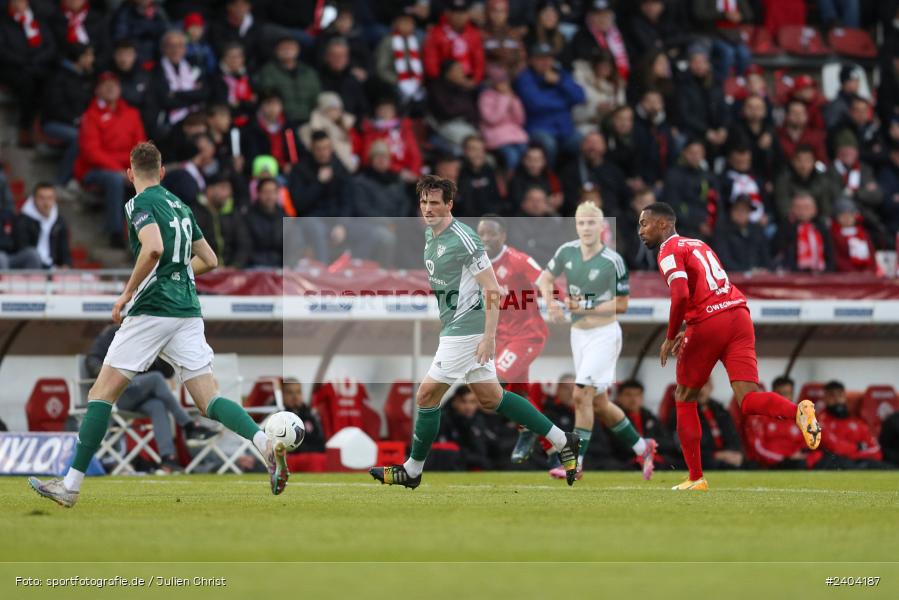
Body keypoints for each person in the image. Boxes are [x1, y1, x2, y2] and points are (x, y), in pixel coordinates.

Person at [28, 142, 290, 508]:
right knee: (208, 399)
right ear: (163, 172)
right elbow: (210, 259)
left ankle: (70, 485)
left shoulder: (139, 203)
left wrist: (126, 293)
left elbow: (151, 248)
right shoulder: (181, 205)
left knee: (101, 395)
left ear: (130, 174)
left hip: (152, 309)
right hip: (187, 310)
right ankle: (264, 442)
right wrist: (176, 273)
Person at [369, 175, 580, 488]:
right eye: (424, 202)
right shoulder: (432, 236)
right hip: (456, 326)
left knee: (426, 395)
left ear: (449, 205)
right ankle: (563, 440)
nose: (428, 209)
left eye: (435, 203)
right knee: (492, 397)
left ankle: (412, 470)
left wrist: (489, 337)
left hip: (467, 330)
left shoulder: (464, 238)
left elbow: (492, 289)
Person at [638, 202, 822, 490]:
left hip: (710, 323)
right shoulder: (699, 244)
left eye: (644, 223)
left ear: (663, 225)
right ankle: (798, 411)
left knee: (684, 396)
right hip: (739, 316)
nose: (640, 231)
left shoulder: (668, 250)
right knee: (748, 399)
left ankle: (696, 478)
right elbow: (706, 289)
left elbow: (681, 295)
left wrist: (672, 334)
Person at [538, 202, 656, 480]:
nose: (586, 228)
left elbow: (623, 304)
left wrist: (583, 307)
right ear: (576, 226)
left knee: (580, 395)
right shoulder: (566, 252)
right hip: (579, 335)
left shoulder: (612, 260)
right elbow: (544, 278)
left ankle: (574, 463)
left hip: (604, 334)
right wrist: (551, 304)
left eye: (592, 223)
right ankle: (644, 447)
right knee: (599, 403)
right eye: (581, 223)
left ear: (602, 227)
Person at [85, 323, 216, 472]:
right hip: (116, 392)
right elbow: (92, 359)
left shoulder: (150, 333)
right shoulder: (112, 332)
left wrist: (160, 353)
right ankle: (188, 425)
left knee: (157, 405)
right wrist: (105, 375)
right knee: (156, 379)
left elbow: (168, 373)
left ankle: (168, 458)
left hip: (138, 394)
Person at [476, 215, 550, 464]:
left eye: (491, 233)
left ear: (503, 236)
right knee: (518, 395)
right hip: (504, 339)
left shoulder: (517, 260)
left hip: (527, 334)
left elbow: (544, 280)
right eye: (481, 233)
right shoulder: (479, 264)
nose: (485, 238)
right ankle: (555, 448)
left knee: (494, 382)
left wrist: (557, 301)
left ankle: (530, 432)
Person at [74, 72, 147, 248]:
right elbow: (91, 152)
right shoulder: (91, 116)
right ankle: (115, 233)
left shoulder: (132, 113)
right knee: (114, 179)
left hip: (127, 169)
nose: (110, 88)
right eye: (105, 85)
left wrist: (131, 171)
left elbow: (141, 147)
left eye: (113, 84)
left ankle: (152, 235)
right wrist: (119, 170)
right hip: (95, 171)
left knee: (151, 180)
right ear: (97, 90)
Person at [514, 42, 586, 165]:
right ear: (531, 61)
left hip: (565, 128)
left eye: (549, 58)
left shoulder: (560, 75)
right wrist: (565, 101)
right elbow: (535, 104)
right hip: (539, 128)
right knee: (548, 144)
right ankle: (548, 179)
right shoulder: (525, 78)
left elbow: (580, 97)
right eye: (541, 59)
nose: (546, 62)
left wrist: (560, 82)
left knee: (585, 143)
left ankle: (583, 179)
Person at [0, 0, 57, 147]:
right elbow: (3, 51)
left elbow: (50, 46)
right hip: (13, 67)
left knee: (53, 81)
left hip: (37, 64)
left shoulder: (37, 19)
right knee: (27, 82)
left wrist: (36, 60)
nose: (19, 4)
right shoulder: (4, 21)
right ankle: (25, 127)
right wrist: (24, 61)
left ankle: (43, 124)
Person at [42, 43, 96, 187]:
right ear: (80, 58)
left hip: (77, 124)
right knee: (79, 138)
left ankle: (81, 179)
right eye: (89, 56)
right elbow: (54, 107)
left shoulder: (84, 77)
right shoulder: (59, 77)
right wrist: (75, 120)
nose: (92, 59)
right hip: (53, 124)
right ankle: (60, 182)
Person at [813, 380, 885, 469]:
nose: (837, 399)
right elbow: (835, 447)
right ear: (825, 398)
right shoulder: (819, 421)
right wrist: (858, 447)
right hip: (833, 461)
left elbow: (876, 451)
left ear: (845, 397)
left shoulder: (856, 421)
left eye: (840, 395)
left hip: (858, 462)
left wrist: (856, 455)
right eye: (832, 396)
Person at [743, 376, 809, 469]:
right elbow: (757, 448)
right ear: (773, 394)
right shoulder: (759, 417)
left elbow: (807, 445)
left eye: (787, 394)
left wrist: (799, 456)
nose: (784, 398)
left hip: (796, 464)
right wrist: (784, 459)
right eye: (780, 394)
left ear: (793, 395)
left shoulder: (801, 417)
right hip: (768, 465)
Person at [612, 379, 678, 469]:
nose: (633, 399)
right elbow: (618, 445)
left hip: (655, 459)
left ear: (642, 397)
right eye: (628, 395)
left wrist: (646, 444)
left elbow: (668, 442)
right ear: (619, 397)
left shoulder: (650, 417)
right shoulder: (614, 418)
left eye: (637, 395)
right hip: (628, 461)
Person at [257, 36, 321, 125]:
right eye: (283, 48)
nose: (287, 51)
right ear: (276, 51)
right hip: (281, 119)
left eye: (290, 48)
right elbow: (268, 94)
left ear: (298, 50)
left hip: (308, 118)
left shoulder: (308, 72)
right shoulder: (268, 71)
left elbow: (316, 95)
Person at [193, 173, 251, 268]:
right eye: (223, 188)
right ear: (210, 190)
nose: (228, 193)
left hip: (230, 273)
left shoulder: (233, 214)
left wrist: (235, 266)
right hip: (202, 273)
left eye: (229, 189)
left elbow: (244, 244)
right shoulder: (194, 213)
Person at [775, 192, 835, 273]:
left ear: (814, 210)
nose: (802, 211)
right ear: (792, 209)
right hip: (794, 275)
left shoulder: (822, 228)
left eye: (806, 207)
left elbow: (830, 255)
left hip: (822, 274)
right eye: (798, 208)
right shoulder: (785, 228)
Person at [15, 184, 72, 269]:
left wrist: (65, 266)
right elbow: (23, 251)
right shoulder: (22, 221)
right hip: (29, 269)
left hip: (53, 269)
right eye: (42, 198)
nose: (46, 203)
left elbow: (64, 252)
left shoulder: (60, 222)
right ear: (34, 199)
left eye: (50, 198)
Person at [712, 195, 771, 273]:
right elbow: (723, 259)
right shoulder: (722, 231)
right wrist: (746, 271)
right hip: (732, 279)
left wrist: (764, 269)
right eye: (737, 209)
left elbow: (765, 256)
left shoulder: (757, 231)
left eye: (744, 210)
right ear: (731, 211)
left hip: (757, 277)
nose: (740, 213)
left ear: (749, 212)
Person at [695, 381, 745, 470]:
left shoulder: (720, 410)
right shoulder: (682, 413)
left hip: (726, 457)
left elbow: (733, 437)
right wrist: (716, 455)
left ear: (711, 387)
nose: (701, 390)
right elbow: (685, 447)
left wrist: (736, 453)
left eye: (705, 385)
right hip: (705, 460)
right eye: (697, 386)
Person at [246, 177, 286, 267]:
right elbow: (245, 246)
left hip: (279, 267)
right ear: (258, 193)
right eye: (266, 192)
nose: (269, 196)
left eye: (273, 192)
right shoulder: (248, 217)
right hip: (254, 266)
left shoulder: (284, 217)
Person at [830, 197, 876, 273]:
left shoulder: (863, 233)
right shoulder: (834, 234)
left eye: (850, 215)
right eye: (843, 216)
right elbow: (836, 256)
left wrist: (870, 270)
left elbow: (871, 254)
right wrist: (851, 271)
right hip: (846, 274)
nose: (847, 219)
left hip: (866, 274)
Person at [281, 379, 325, 454]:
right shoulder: (278, 417)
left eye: (298, 392)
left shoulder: (310, 415)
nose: (295, 397)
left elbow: (321, 443)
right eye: (290, 393)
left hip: (312, 459)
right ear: (283, 395)